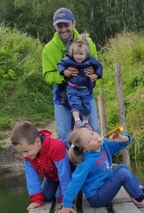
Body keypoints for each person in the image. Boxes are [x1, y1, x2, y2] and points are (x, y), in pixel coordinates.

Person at [58, 127, 144, 213]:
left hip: (104, 187)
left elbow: (126, 142)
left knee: (121, 167)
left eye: (92, 133)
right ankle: (140, 199)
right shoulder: (86, 163)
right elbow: (75, 183)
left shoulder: (105, 145)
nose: (95, 137)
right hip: (97, 198)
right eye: (89, 140)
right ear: (84, 149)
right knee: (122, 174)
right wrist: (67, 203)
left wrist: (122, 138)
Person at [42, 7, 100, 147]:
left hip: (85, 94)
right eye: (59, 26)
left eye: (66, 25)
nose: (63, 29)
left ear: (73, 23)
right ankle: (69, 167)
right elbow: (48, 76)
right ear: (55, 27)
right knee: (64, 136)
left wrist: (93, 75)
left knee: (94, 130)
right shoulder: (49, 49)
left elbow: (96, 65)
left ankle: (95, 165)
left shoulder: (88, 42)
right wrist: (65, 75)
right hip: (62, 98)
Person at [10, 121, 72, 211]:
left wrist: (66, 200)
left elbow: (64, 173)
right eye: (21, 152)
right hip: (52, 178)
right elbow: (31, 177)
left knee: (59, 197)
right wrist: (36, 200)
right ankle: (58, 189)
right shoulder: (29, 155)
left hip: (68, 175)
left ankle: (74, 190)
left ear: (38, 141)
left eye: (26, 151)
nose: (24, 156)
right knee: (44, 197)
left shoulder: (56, 147)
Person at [57, 36, 103, 130]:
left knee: (87, 106)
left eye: (81, 54)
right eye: (76, 54)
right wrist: (64, 71)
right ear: (72, 53)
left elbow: (99, 66)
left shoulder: (90, 60)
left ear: (86, 54)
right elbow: (60, 64)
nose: (78, 56)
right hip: (72, 88)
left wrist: (96, 75)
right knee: (75, 104)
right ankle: (77, 121)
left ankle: (86, 122)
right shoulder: (69, 60)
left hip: (85, 89)